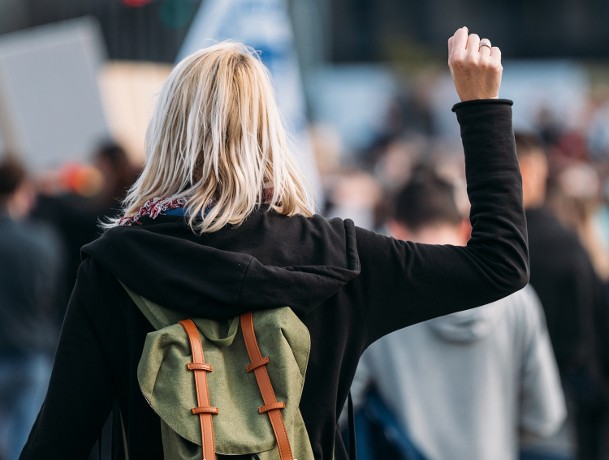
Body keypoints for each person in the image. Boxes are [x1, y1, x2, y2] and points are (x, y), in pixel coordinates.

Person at [21, 28, 529, 459]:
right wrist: (481, 107)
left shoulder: (116, 265)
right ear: (270, 136)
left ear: (167, 134)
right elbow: (499, 264)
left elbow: (57, 442)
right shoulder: (340, 261)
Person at [349, 167, 566, 460]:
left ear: (395, 230)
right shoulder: (516, 300)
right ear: (465, 228)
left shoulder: (379, 302)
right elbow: (545, 417)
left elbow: (343, 408)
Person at [516, 132, 609, 460]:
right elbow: (590, 339)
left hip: (495, 416)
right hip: (564, 415)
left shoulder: (475, 247)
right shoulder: (566, 246)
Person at [0, 156, 62, 460]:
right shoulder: (42, 241)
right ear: (22, 191)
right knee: (25, 443)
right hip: (31, 351)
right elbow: (51, 295)